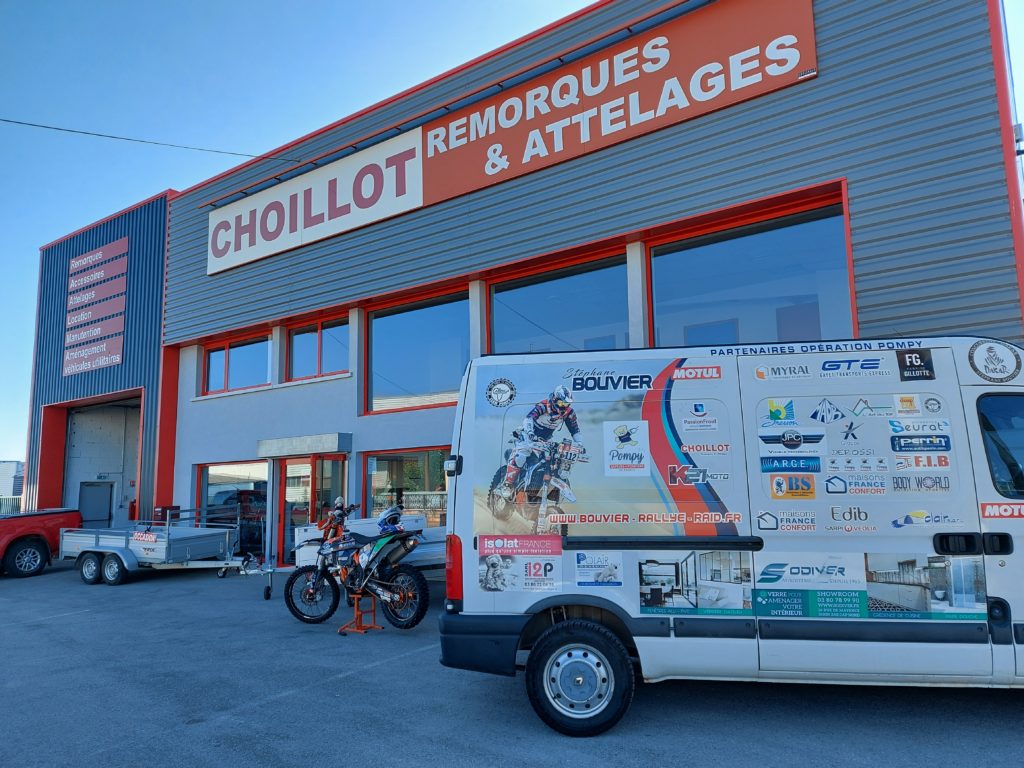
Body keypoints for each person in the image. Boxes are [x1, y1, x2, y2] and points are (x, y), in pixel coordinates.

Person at [498, 384, 584, 499]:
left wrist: (579, 444)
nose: (564, 406)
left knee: (554, 460)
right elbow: (529, 418)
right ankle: (507, 485)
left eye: (566, 404)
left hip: (546, 439)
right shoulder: (544, 406)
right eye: (561, 403)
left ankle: (547, 488)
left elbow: (575, 429)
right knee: (521, 456)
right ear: (554, 399)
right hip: (528, 434)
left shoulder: (568, 412)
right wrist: (530, 432)